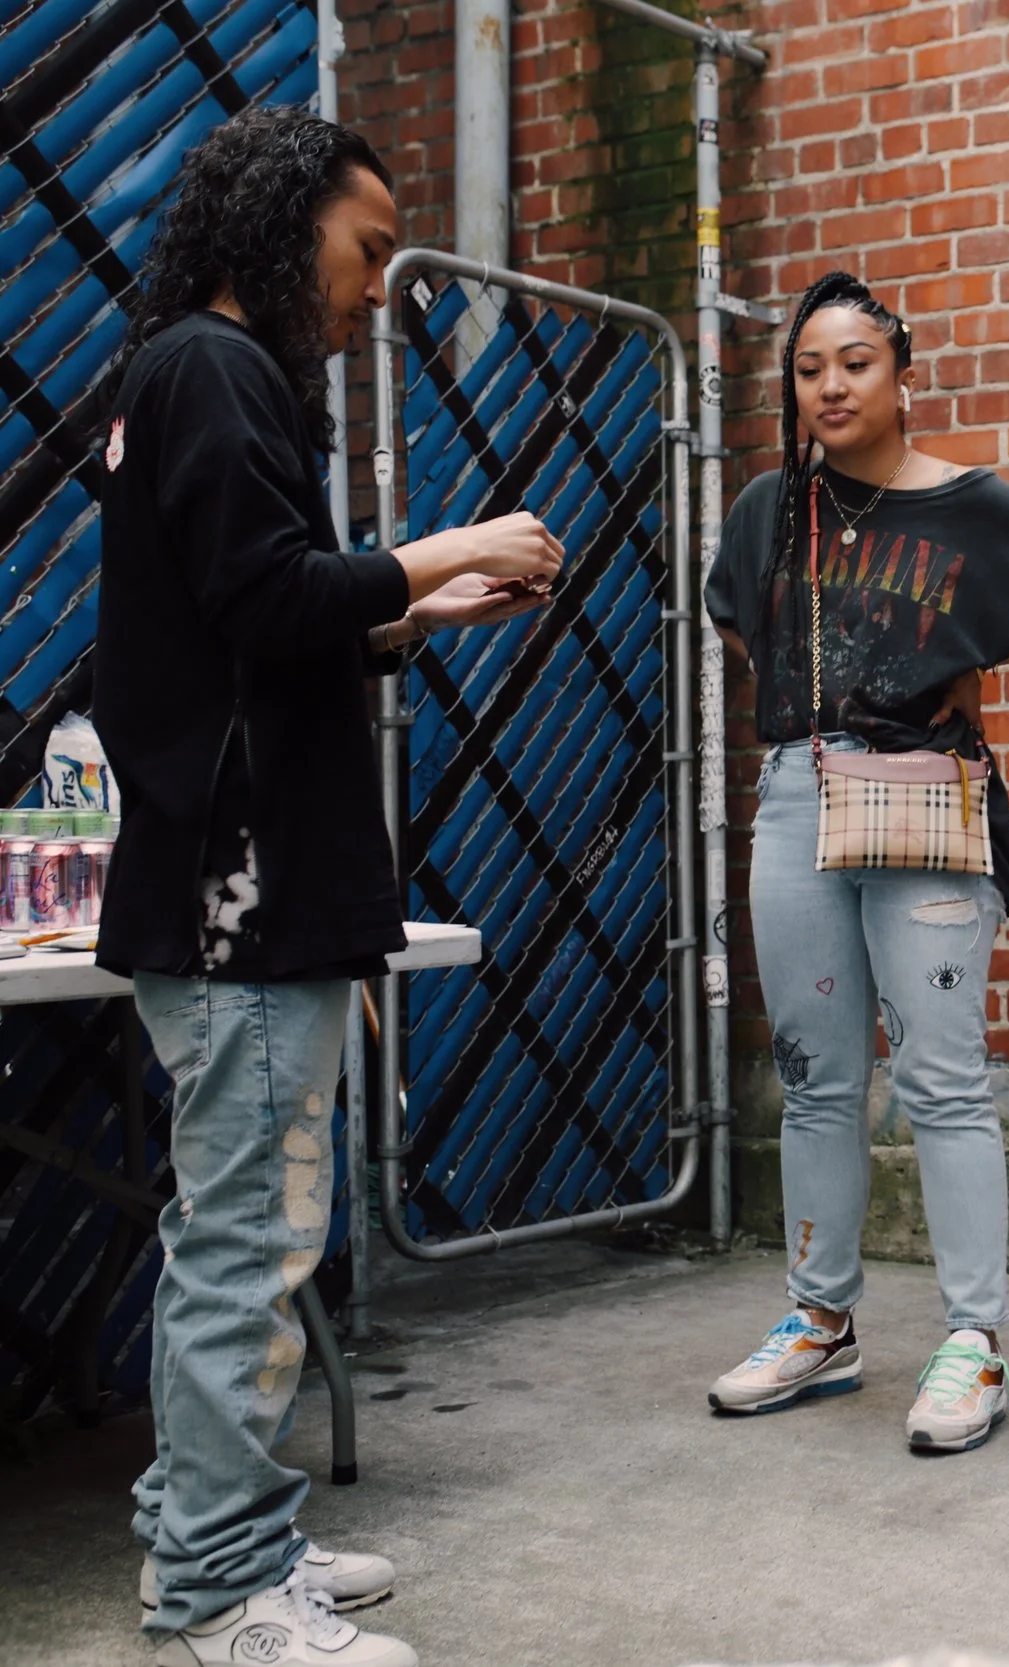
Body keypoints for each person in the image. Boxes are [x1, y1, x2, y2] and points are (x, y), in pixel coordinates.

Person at [93, 106, 564, 1667]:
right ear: (282, 225)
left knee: (235, 1230)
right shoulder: (216, 370)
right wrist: (441, 551)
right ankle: (217, 1590)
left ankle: (210, 1517)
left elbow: (256, 626)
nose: (377, 291)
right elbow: (255, 591)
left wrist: (407, 621)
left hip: (236, 886)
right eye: (366, 254)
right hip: (241, 893)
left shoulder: (189, 372)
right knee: (247, 1240)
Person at [702, 271, 1009, 1450]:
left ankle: (976, 1344)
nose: (831, 385)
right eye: (808, 368)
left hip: (923, 799)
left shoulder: (967, 506)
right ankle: (819, 1320)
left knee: (942, 1079)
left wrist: (978, 656)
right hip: (798, 799)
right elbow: (743, 624)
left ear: (901, 372)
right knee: (816, 1077)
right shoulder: (765, 511)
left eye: (855, 362)